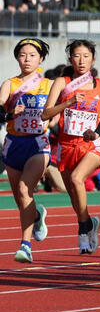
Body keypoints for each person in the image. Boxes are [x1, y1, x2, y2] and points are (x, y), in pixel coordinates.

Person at [42, 39, 100, 254]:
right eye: (77, 56)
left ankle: (83, 230)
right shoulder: (62, 83)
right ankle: (88, 223)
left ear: (93, 59)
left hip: (91, 144)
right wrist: (68, 102)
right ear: (70, 58)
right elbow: (46, 114)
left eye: (86, 56)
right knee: (73, 194)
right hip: (66, 145)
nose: (81, 60)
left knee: (77, 179)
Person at [2, 38, 53, 263]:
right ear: (17, 57)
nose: (27, 59)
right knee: (22, 200)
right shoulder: (10, 84)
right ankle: (37, 215)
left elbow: (60, 109)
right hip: (14, 144)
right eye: (22, 55)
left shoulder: (49, 85)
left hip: (38, 145)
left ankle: (26, 245)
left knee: (25, 190)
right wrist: (13, 112)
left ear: (40, 59)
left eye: (32, 55)